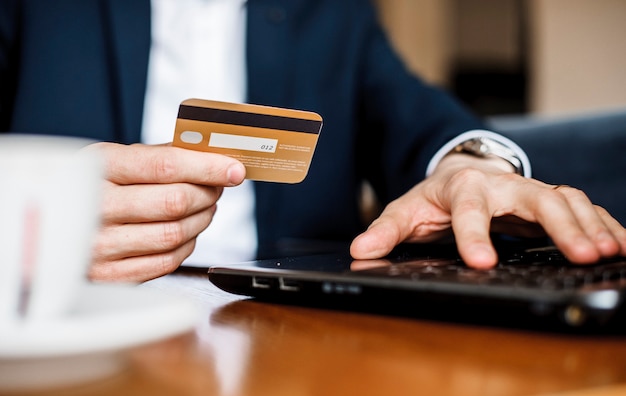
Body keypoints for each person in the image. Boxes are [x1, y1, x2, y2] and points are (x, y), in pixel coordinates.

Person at [1, 0, 624, 282]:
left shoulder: (335, 13)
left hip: (281, 331)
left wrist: (473, 168)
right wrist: (21, 218)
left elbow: (421, 118)